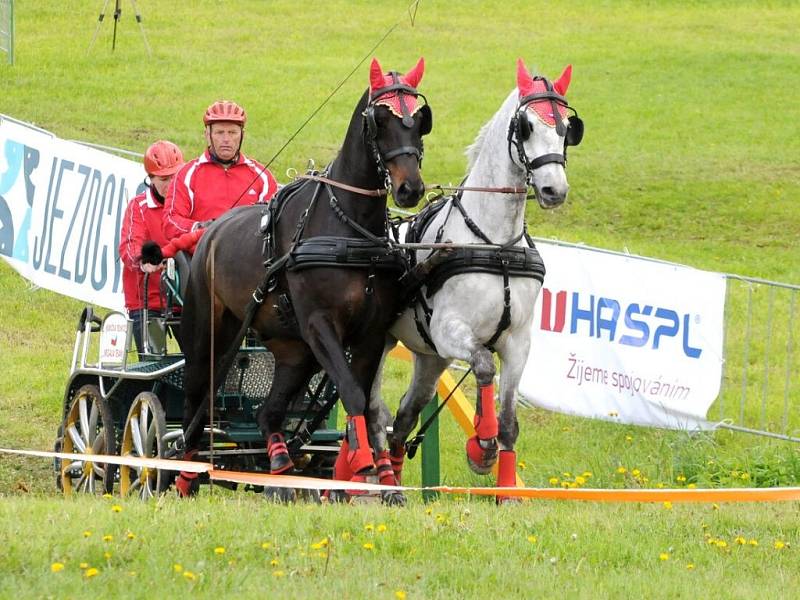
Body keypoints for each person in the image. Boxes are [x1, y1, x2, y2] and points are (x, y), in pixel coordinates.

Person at [162, 100, 278, 241]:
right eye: (219, 132)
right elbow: (170, 222)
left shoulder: (263, 177)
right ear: (207, 135)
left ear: (242, 135)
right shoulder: (187, 174)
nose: (226, 139)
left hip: (248, 255)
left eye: (232, 132)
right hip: (201, 255)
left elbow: (274, 223)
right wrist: (201, 228)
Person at [119, 140, 185, 355]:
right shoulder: (138, 207)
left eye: (175, 178)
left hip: (186, 299)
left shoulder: (189, 205)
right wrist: (143, 262)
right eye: (164, 179)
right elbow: (129, 246)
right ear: (151, 179)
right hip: (148, 303)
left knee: (200, 361)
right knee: (154, 360)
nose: (170, 184)